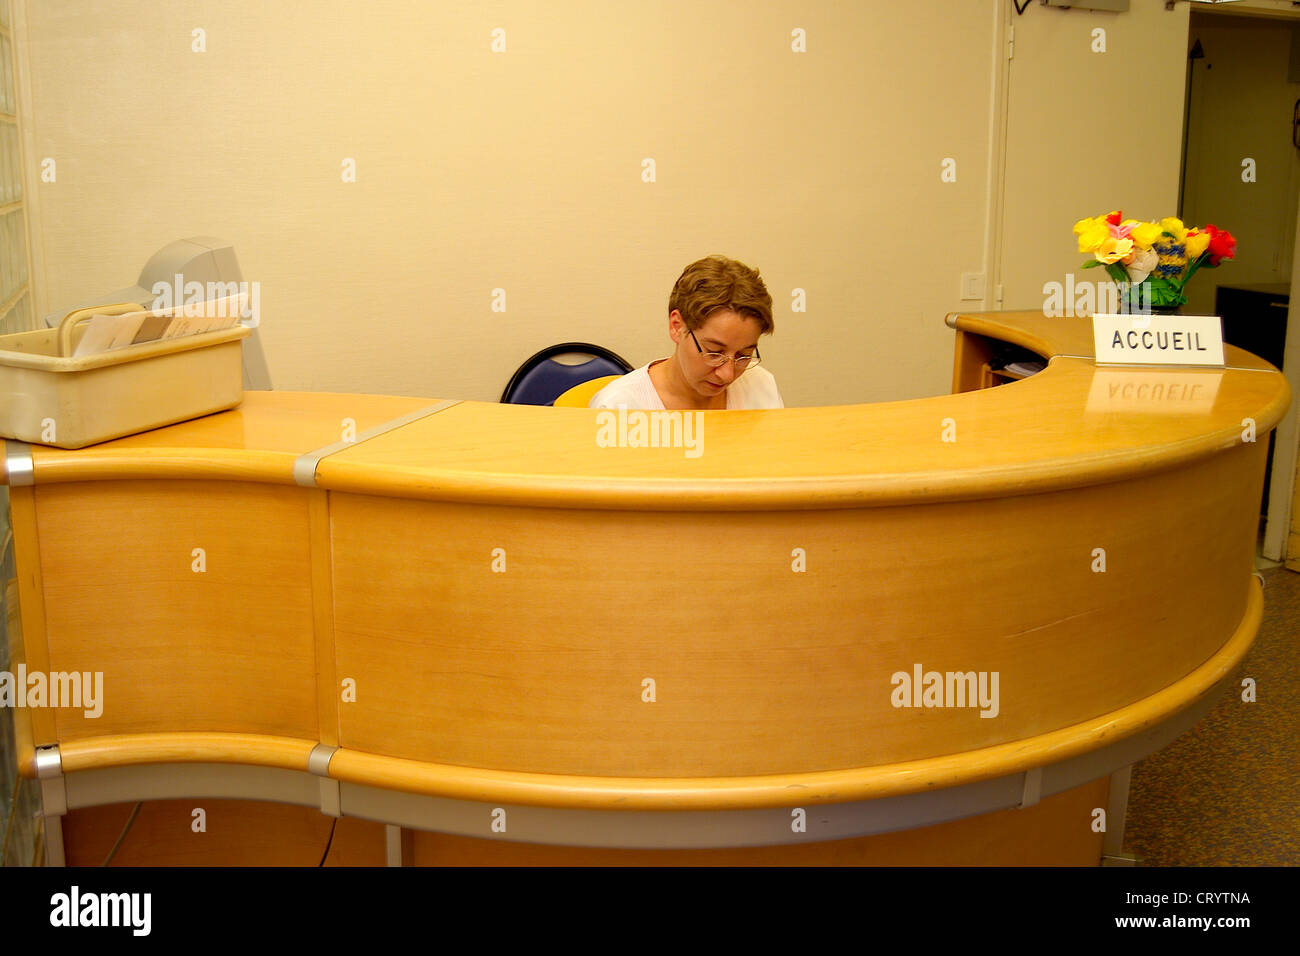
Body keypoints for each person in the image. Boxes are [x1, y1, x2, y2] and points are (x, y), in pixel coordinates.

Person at [589, 255, 782, 410]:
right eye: (714, 352)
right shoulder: (618, 408)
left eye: (743, 356)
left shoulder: (761, 388)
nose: (727, 375)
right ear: (676, 326)